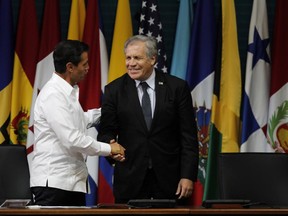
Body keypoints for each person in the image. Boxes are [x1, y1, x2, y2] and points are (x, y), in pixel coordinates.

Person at [97, 35, 199, 205]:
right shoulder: (114, 90)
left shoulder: (176, 88)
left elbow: (188, 136)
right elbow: (106, 131)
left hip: (171, 180)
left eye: (137, 58)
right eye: (128, 58)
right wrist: (110, 146)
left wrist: (187, 176)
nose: (131, 63)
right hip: (130, 178)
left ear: (153, 59)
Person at [30, 40, 125, 206]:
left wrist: (112, 109)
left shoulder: (67, 92)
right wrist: (109, 148)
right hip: (54, 184)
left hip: (70, 183)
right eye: (85, 64)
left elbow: (81, 120)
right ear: (70, 67)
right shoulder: (53, 95)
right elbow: (72, 139)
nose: (88, 68)